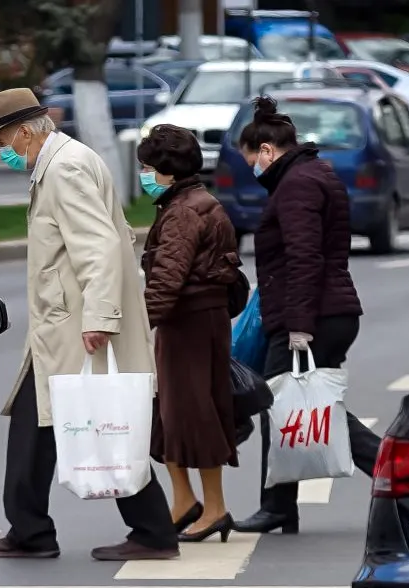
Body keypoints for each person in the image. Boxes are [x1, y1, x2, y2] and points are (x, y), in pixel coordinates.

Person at [0, 88, 180, 562]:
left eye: (2, 138)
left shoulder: (63, 168)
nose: (0, 150)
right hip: (63, 325)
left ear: (25, 131)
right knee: (40, 423)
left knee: (101, 424)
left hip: (76, 326)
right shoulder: (64, 162)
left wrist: (100, 318)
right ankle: (31, 529)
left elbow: (100, 246)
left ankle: (149, 531)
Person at [232, 96, 382, 535]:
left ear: (266, 150)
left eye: (251, 161)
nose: (252, 172)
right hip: (326, 312)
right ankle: (281, 504)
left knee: (281, 404)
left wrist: (298, 325)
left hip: (313, 317)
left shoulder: (297, 184)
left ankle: (401, 471)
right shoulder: (310, 174)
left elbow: (304, 258)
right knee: (308, 405)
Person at [137, 125, 243, 543]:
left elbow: (168, 278)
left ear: (166, 171)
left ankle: (214, 508)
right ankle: (184, 500)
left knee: (195, 414)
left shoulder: (183, 211)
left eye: (147, 167)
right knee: (171, 416)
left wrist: (136, 323)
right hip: (197, 320)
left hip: (190, 324)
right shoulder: (193, 201)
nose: (144, 175)